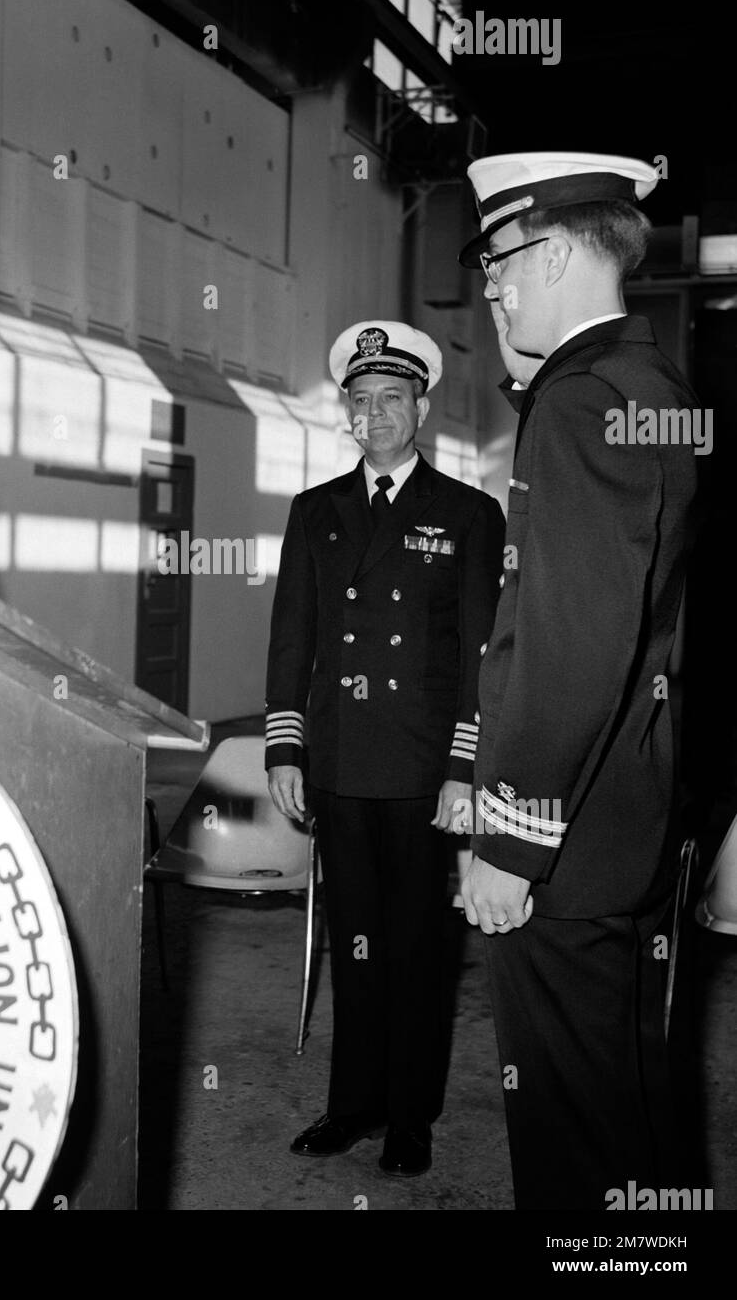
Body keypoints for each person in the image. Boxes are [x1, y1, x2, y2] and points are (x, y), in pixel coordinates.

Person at [457, 153, 701, 1210]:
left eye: (500, 262)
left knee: (575, 1148)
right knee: (627, 1116)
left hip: (567, 845)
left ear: (553, 252)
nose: (493, 288)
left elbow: (571, 644)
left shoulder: (580, 403)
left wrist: (511, 838)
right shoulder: (655, 391)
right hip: (631, 823)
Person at [265, 320, 505, 1177]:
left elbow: (482, 650)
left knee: (416, 950)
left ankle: (410, 1114)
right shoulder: (316, 511)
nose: (375, 416)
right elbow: (292, 637)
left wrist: (464, 770)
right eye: (359, 403)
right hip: (338, 760)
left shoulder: (470, 515)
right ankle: (353, 1103)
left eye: (391, 400)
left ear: (421, 409)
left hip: (419, 770)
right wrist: (284, 747)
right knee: (354, 938)